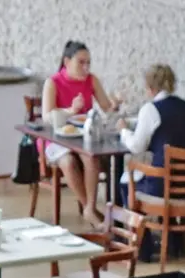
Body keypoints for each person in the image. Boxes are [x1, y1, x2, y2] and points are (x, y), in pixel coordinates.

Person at [115, 64, 185, 261]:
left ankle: (143, 248)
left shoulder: (151, 109)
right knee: (160, 174)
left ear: (150, 88)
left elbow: (136, 146)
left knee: (126, 181)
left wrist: (123, 130)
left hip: (164, 188)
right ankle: (174, 243)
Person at [41, 40, 119, 224]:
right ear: (67, 62)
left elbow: (107, 108)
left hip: (83, 137)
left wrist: (116, 104)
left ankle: (89, 208)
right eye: (81, 62)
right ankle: (88, 208)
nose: (86, 67)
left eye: (88, 63)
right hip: (56, 138)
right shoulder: (52, 82)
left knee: (91, 157)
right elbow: (47, 117)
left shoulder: (92, 80)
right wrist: (70, 110)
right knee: (68, 162)